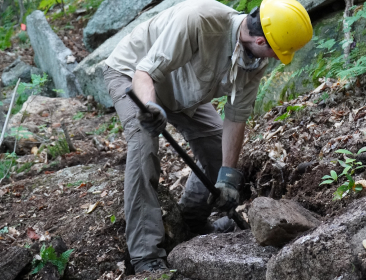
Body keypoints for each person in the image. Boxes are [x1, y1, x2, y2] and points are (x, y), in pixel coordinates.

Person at [103, 0, 312, 273]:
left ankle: (193, 224)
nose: (276, 58)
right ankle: (146, 256)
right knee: (144, 147)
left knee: (216, 149)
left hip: (182, 88)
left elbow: (236, 116)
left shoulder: (254, 58)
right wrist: (151, 109)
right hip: (133, 75)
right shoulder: (199, 20)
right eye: (278, 52)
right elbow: (145, 72)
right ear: (261, 40)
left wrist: (227, 178)